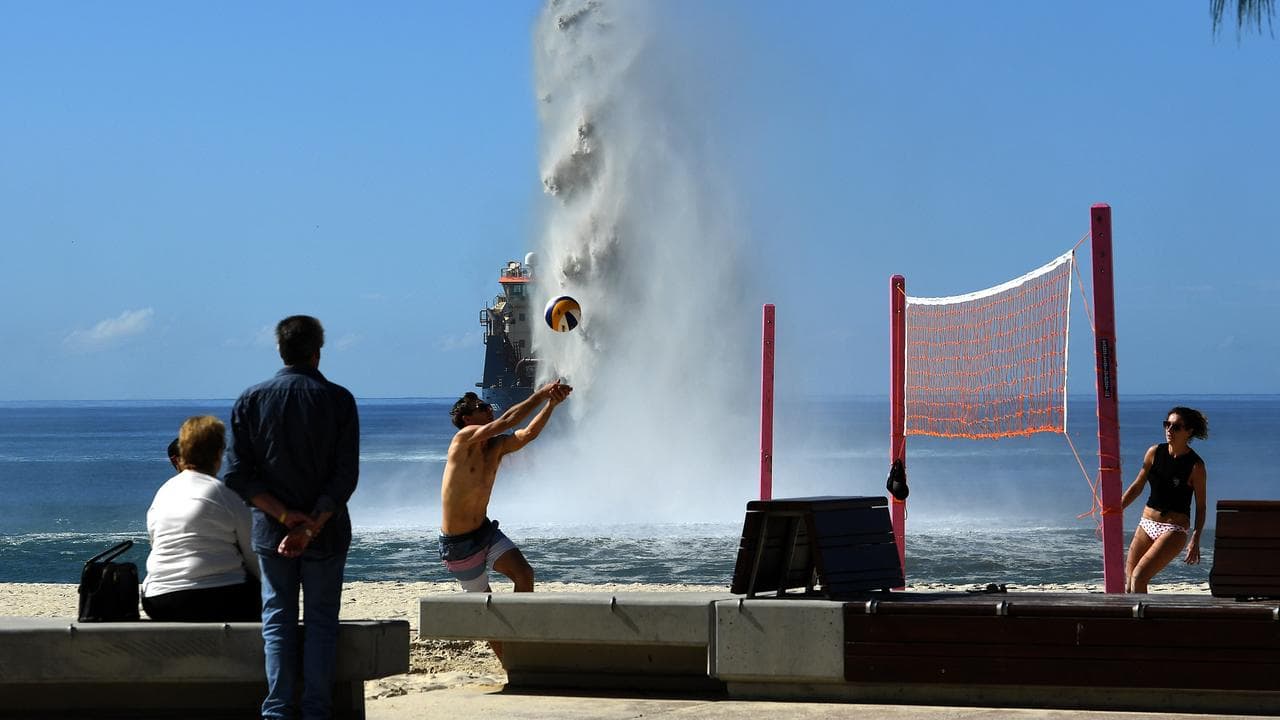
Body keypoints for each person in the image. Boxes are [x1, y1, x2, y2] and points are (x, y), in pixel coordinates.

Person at [224, 315, 359, 720]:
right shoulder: (338, 399)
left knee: (278, 619)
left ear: (280, 351)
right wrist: (312, 524)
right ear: (318, 352)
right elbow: (344, 476)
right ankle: (316, 711)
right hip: (328, 532)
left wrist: (284, 516)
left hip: (271, 532)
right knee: (321, 621)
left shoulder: (251, 399)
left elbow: (235, 474)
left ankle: (278, 711)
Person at [439, 381, 572, 596]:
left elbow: (527, 434)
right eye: (483, 408)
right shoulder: (462, 439)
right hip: (458, 543)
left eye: (489, 407)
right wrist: (540, 395)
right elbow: (507, 420)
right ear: (467, 419)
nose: (490, 410)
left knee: (525, 574)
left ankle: (520, 627)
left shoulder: (495, 446)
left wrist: (551, 404)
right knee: (483, 603)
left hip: (485, 532)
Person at [142, 416, 261, 621]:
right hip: (214, 597)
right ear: (218, 453)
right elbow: (252, 552)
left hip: (158, 600)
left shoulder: (164, 492)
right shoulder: (223, 492)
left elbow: (155, 542)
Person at [1120, 406, 1209, 593]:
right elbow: (1137, 486)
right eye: (1167, 424)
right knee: (1128, 583)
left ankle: (1142, 621)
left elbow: (1201, 507)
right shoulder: (1154, 452)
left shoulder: (1196, 466)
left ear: (1189, 431)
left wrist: (1196, 537)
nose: (1169, 430)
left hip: (1173, 529)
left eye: (1176, 427)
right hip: (1146, 523)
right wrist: (1115, 509)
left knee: (1139, 577)